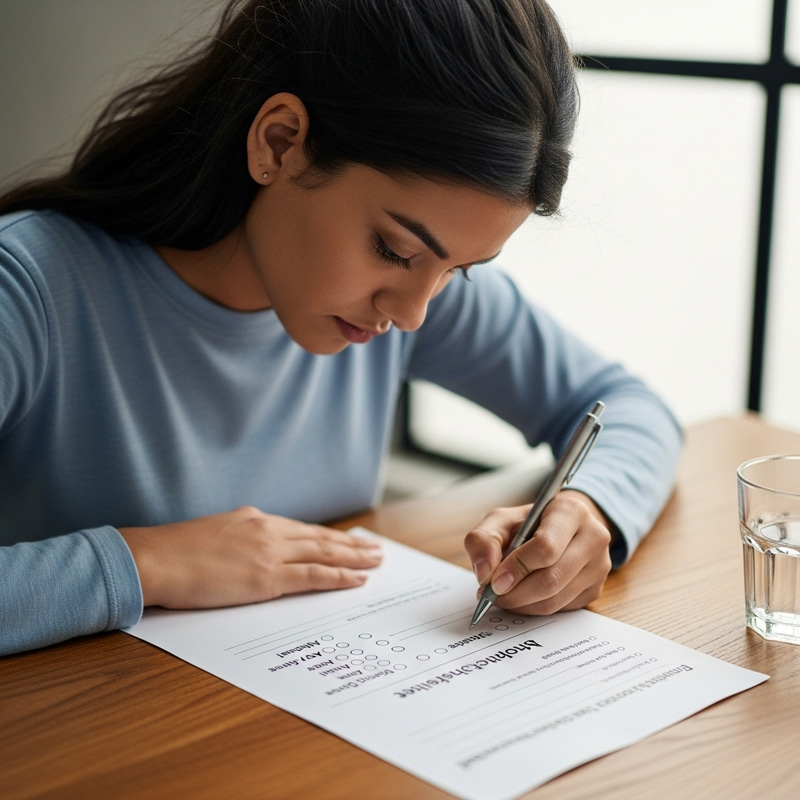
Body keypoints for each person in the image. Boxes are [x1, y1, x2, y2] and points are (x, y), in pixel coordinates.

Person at [0, 0, 682, 657]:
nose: (413, 313)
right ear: (280, 142)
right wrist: (146, 562)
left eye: (460, 270)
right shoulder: (27, 288)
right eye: (394, 249)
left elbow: (623, 404)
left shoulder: (415, 298)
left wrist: (590, 510)